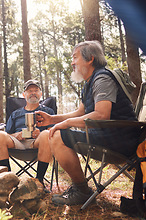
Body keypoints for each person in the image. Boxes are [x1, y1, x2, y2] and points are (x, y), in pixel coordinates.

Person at [35, 40, 140, 206]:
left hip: (119, 141)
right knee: (55, 132)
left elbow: (101, 115)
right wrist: (53, 119)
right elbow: (80, 113)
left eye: (75, 57)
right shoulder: (90, 83)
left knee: (56, 136)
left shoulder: (102, 79)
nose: (72, 62)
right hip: (106, 136)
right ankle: (80, 189)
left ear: (90, 59)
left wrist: (67, 123)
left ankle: (82, 191)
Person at [0, 79, 55, 186]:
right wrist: (16, 135)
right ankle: (7, 181)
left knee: (46, 134)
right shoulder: (15, 114)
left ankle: (39, 181)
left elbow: (53, 132)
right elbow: (7, 134)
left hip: (38, 143)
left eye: (36, 90)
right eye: (30, 91)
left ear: (41, 94)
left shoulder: (48, 112)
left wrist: (40, 133)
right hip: (18, 143)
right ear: (24, 94)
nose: (33, 93)